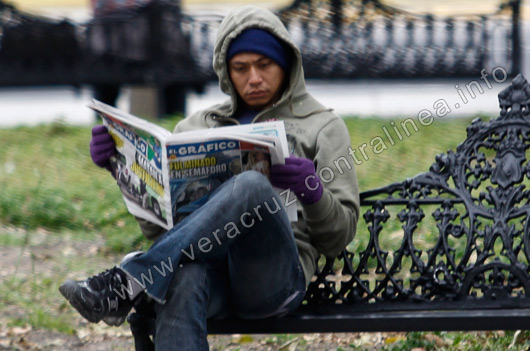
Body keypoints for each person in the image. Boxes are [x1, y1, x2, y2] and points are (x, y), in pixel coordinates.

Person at [59, 5, 359, 350]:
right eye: (240, 68)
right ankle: (135, 280)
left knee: (251, 185)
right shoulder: (196, 127)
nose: (254, 78)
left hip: (271, 281)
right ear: (225, 71)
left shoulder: (322, 126)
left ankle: (129, 282)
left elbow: (339, 237)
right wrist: (121, 166)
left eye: (265, 65)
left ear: (287, 65)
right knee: (183, 275)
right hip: (208, 275)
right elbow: (159, 232)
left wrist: (313, 193)